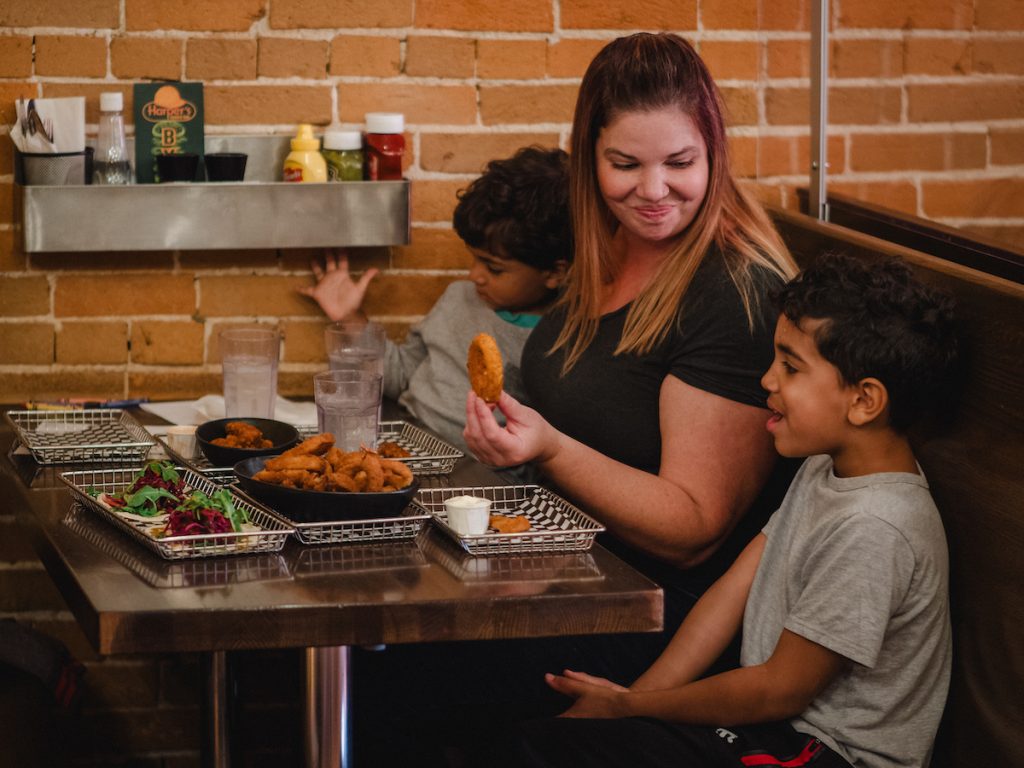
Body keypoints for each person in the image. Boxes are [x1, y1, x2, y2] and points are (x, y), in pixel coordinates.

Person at [485, 253, 960, 768]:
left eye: (790, 366)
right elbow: (731, 593)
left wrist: (633, 707)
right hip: (769, 732)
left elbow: (779, 690)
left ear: (864, 401)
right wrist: (629, 702)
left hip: (823, 753)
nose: (767, 381)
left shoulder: (875, 526)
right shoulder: (828, 467)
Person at [464, 32, 798, 674]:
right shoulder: (605, 248)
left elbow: (695, 530)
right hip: (573, 566)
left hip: (662, 623)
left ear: (715, 155)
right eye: (626, 165)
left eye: (680, 163)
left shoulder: (735, 293)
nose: (653, 191)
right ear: (589, 156)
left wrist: (551, 449)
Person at [301, 145, 571, 451]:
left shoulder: (560, 340)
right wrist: (350, 317)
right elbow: (403, 375)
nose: (474, 275)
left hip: (482, 478)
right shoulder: (460, 298)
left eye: (494, 268)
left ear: (555, 273)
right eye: (474, 259)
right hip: (407, 444)